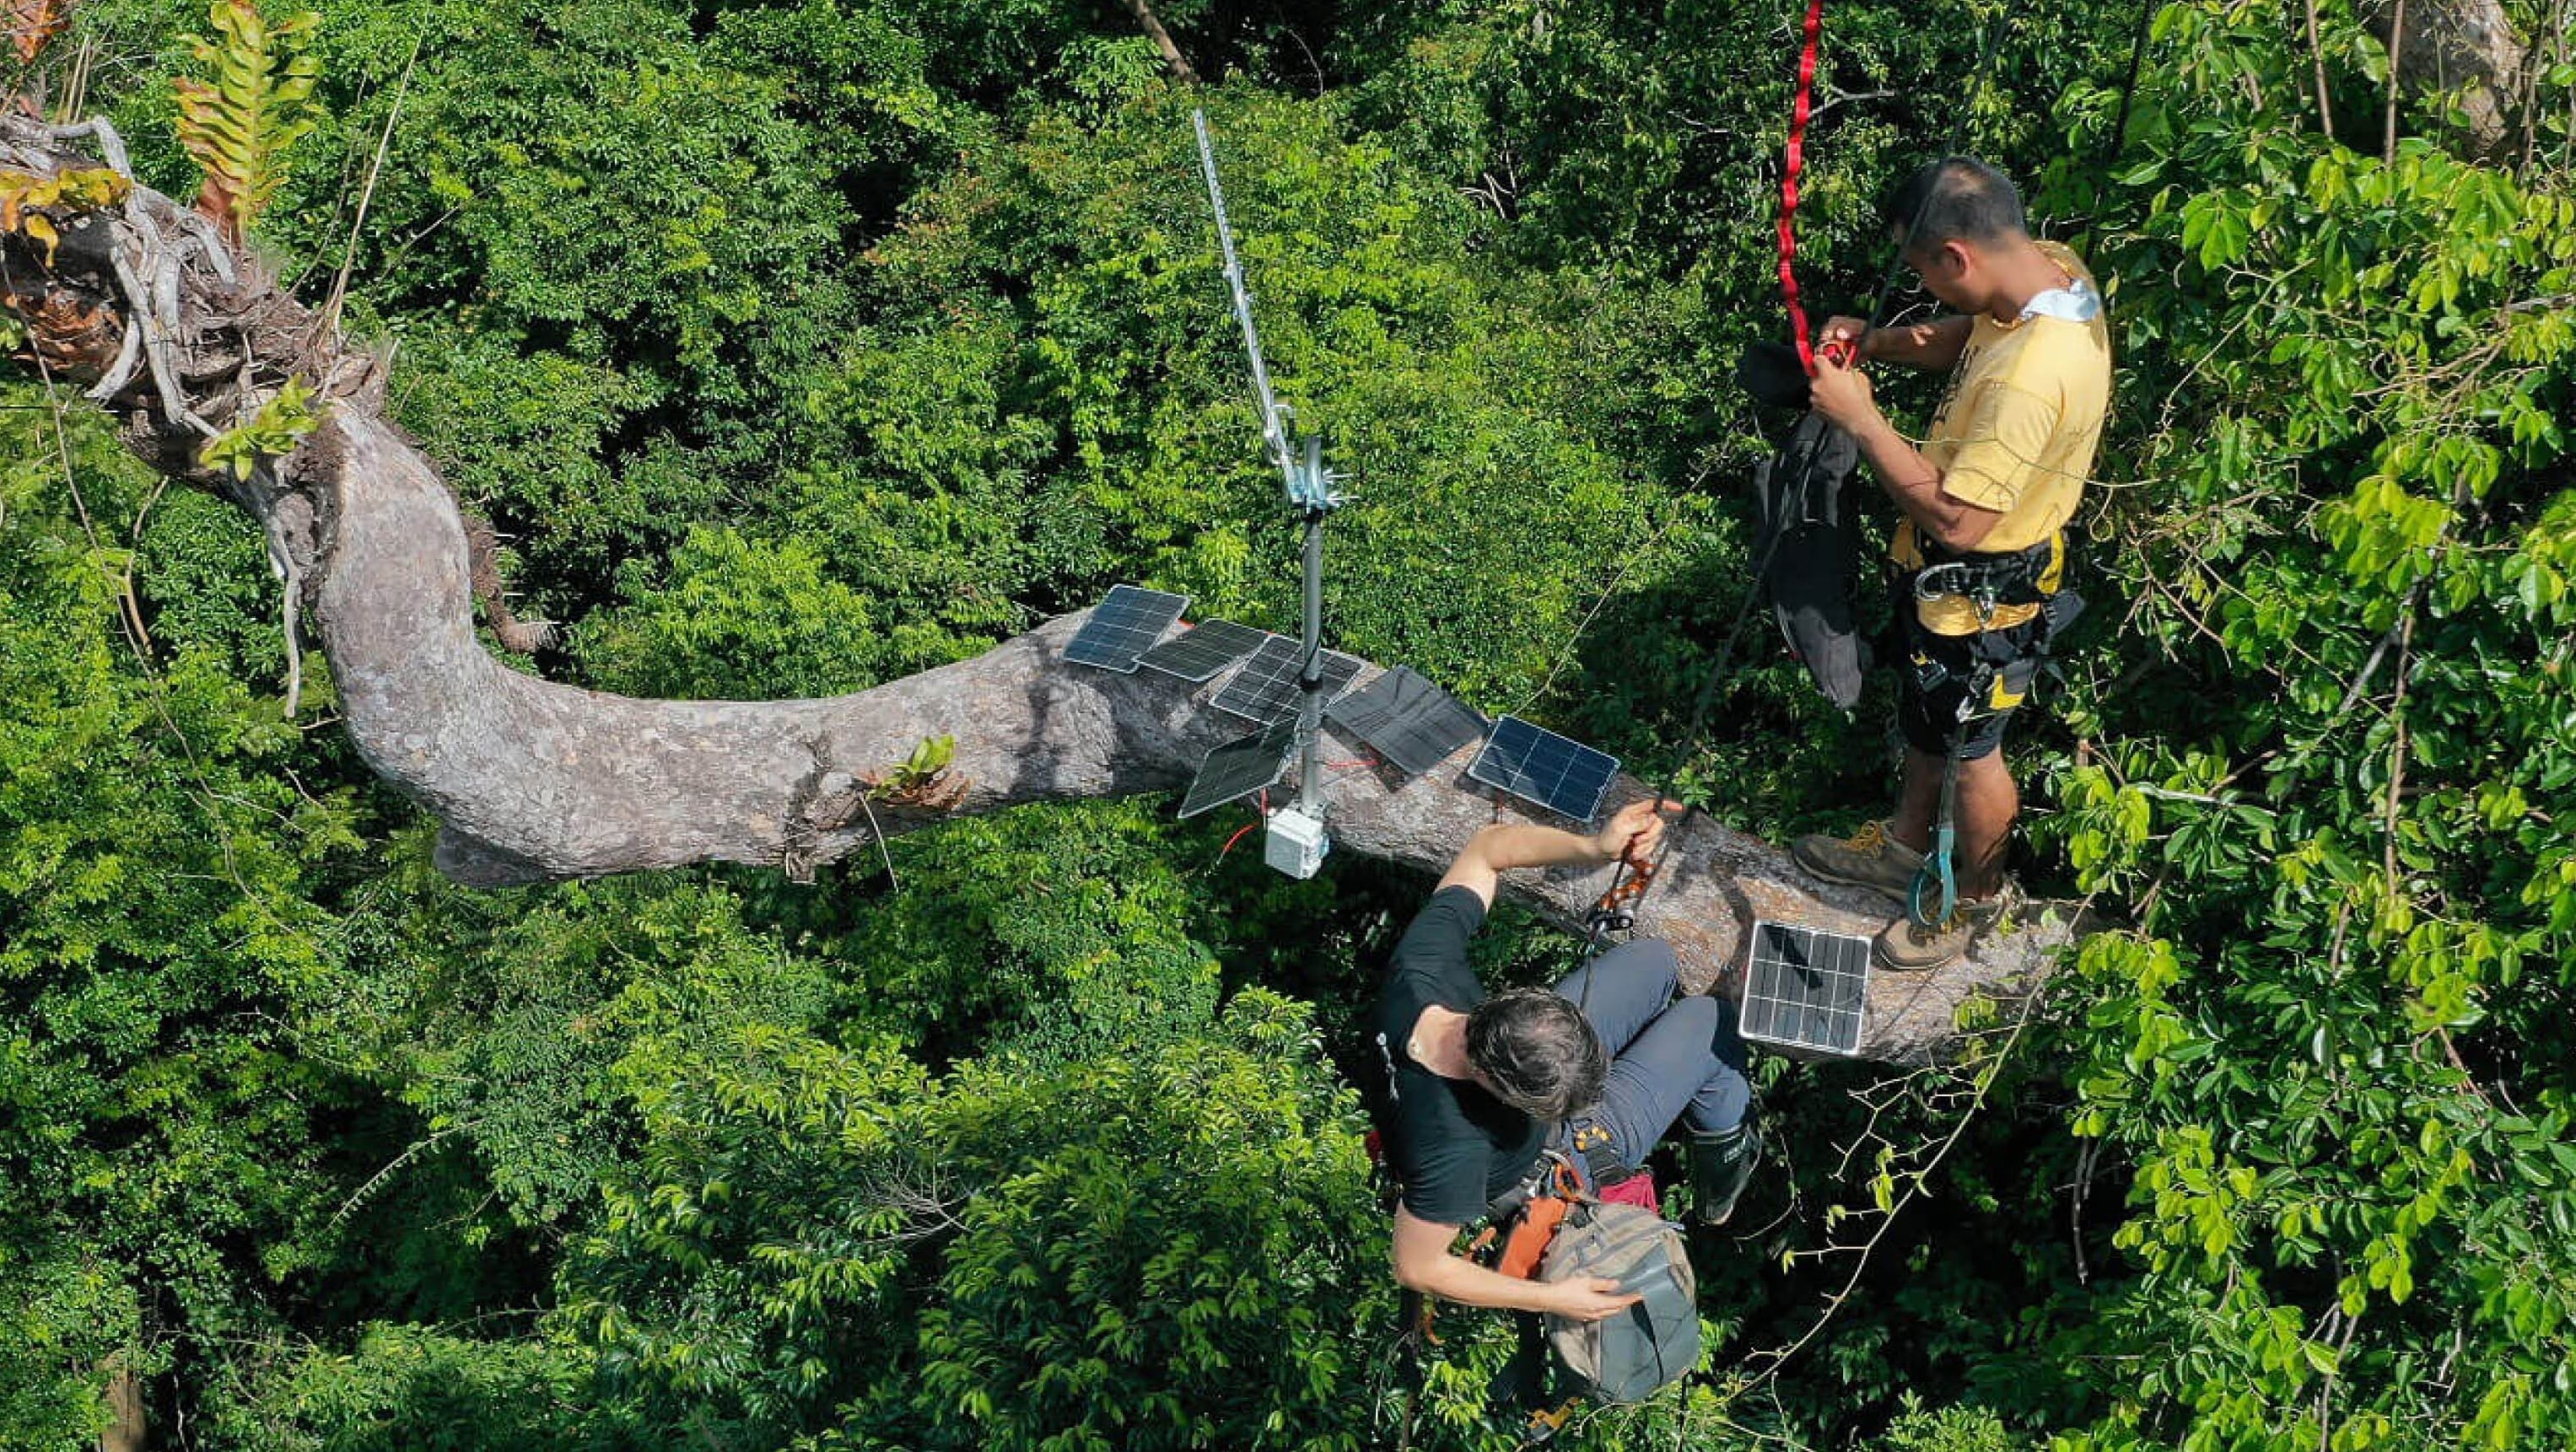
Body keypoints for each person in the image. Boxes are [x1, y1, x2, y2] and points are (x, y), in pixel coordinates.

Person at [1797, 156, 2113, 971]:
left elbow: (1961, 519)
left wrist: (1862, 421)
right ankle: (1904, 849)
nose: (1926, 289)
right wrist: (1877, 344)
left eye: (1922, 271)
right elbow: (1966, 334)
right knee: (1930, 720)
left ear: (1956, 257)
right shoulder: (2050, 272)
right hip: (1942, 590)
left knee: (1973, 750)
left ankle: (1974, 902)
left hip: (1984, 597)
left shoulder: (2037, 374)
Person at [1368, 797, 1757, 1321]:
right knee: (1713, 1023)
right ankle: (1720, 1193)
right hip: (1556, 1162)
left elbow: (1485, 851)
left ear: (1515, 1004)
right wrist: (1555, 1298)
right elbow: (1419, 1267)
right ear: (1494, 1084)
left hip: (1528, 1060)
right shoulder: (1453, 1149)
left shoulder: (1422, 974)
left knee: (1655, 959)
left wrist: (1593, 847)